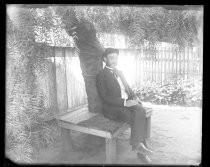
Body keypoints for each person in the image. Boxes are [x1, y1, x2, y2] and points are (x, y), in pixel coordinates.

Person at [96, 48, 153, 163]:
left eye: (116, 57)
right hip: (113, 107)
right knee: (138, 117)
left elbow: (127, 88)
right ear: (105, 59)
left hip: (128, 102)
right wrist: (124, 103)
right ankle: (140, 150)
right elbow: (105, 97)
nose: (114, 60)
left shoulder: (119, 72)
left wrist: (135, 97)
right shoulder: (101, 75)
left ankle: (138, 146)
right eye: (111, 57)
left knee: (140, 111)